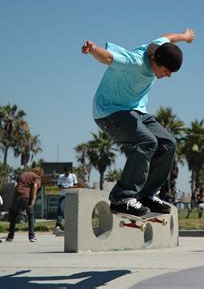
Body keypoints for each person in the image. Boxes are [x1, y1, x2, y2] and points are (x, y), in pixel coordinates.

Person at [82, 28, 195, 216]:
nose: (168, 76)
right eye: (166, 71)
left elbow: (169, 38)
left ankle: (146, 195)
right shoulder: (134, 62)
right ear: (156, 62)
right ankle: (122, 198)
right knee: (147, 141)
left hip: (135, 111)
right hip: (109, 112)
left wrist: (185, 37)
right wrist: (93, 49)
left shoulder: (159, 47)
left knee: (168, 143)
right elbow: (109, 58)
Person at [6, 168, 43, 242]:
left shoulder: (23, 174)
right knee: (31, 215)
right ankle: (31, 236)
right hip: (26, 197)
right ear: (39, 173)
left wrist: (13, 199)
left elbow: (17, 186)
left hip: (17, 197)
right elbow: (35, 187)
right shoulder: (37, 177)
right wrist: (32, 201)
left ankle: (10, 236)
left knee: (13, 216)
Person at [54, 167, 78, 232]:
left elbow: (76, 185)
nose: (67, 173)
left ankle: (71, 224)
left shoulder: (73, 176)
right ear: (64, 172)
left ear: (69, 171)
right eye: (65, 172)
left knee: (71, 210)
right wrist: (62, 187)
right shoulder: (61, 176)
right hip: (63, 195)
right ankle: (58, 225)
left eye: (67, 172)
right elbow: (58, 185)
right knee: (61, 209)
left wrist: (71, 187)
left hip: (71, 195)